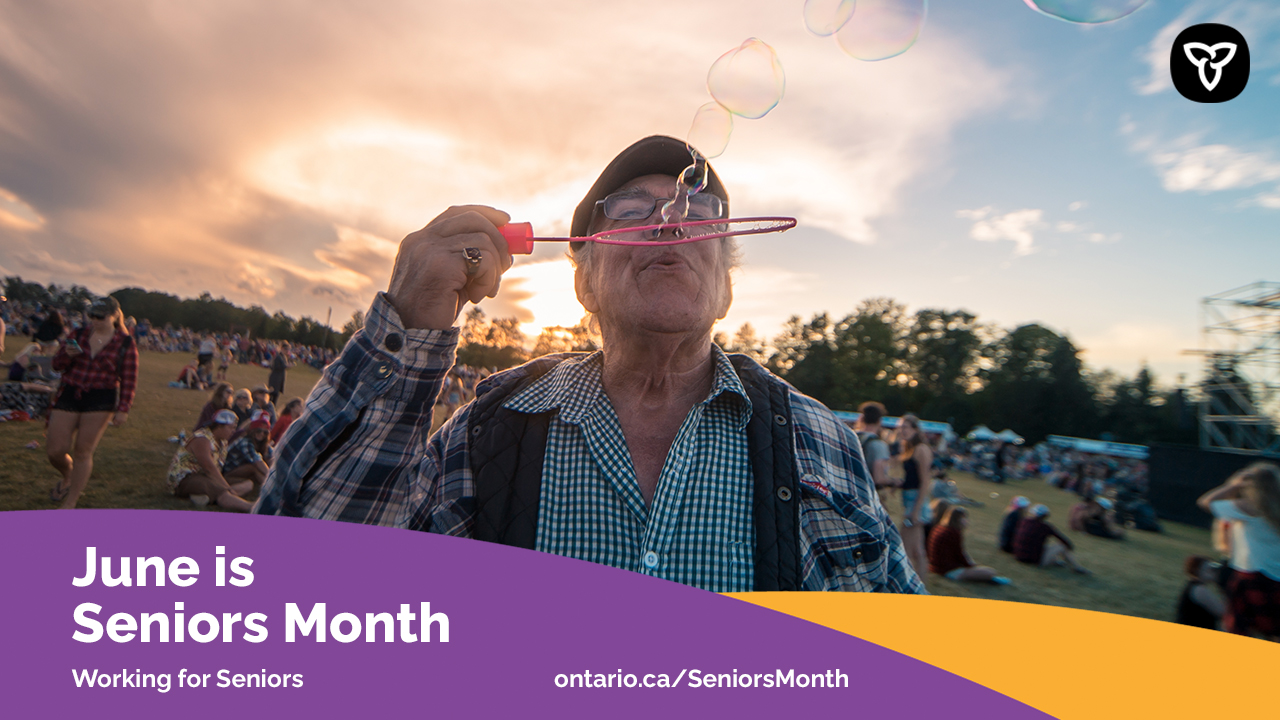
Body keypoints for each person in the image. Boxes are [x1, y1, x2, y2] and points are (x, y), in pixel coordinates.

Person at [255, 134, 923, 594]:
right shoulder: (493, 430)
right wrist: (406, 332)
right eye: (635, 212)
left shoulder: (819, 443)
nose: (669, 224)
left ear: (727, 288)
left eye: (699, 214)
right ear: (584, 284)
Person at [46, 297, 138, 509]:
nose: (94, 320)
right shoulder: (78, 334)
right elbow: (56, 365)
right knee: (55, 450)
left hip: (101, 398)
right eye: (91, 315)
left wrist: (123, 409)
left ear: (114, 316)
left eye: (100, 316)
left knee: (83, 450)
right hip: (70, 391)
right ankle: (68, 474)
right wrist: (67, 356)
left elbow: (129, 379)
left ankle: (71, 501)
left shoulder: (125, 343)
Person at [1197, 463, 1280, 640]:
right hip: (1276, 580)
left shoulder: (1248, 508)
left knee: (1238, 630)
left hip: (1250, 576)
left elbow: (1206, 502)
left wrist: (1235, 485)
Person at [166, 409, 255, 512]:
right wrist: (226, 487)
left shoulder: (223, 441)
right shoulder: (202, 439)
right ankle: (249, 507)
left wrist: (225, 487)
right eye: (231, 428)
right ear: (220, 426)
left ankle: (207, 496)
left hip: (206, 477)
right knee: (222, 491)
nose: (233, 431)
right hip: (186, 478)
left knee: (248, 484)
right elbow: (208, 467)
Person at [928, 507, 1009, 584]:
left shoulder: (939, 528)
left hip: (935, 567)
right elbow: (959, 554)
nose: (967, 521)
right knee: (990, 572)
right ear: (959, 519)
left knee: (983, 571)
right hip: (948, 571)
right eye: (965, 518)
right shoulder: (953, 532)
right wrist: (971, 566)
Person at [897, 413, 934, 582]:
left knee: (905, 546)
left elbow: (925, 481)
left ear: (914, 429)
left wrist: (917, 510)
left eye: (905, 427)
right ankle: (919, 584)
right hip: (909, 499)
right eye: (900, 427)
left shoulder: (921, 449)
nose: (901, 430)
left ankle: (913, 583)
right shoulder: (909, 447)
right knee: (916, 549)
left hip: (916, 502)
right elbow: (911, 478)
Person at [1014, 504, 1091, 574]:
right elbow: (1062, 539)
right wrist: (1070, 546)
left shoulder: (1024, 521)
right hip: (1034, 560)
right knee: (1061, 546)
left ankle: (1056, 562)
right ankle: (1077, 567)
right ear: (1045, 516)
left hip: (1018, 555)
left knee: (1045, 546)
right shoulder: (1045, 527)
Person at [222, 411, 273, 488]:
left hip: (241, 469)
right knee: (254, 467)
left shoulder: (262, 443)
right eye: (259, 431)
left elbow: (272, 456)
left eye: (265, 432)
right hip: (227, 471)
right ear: (253, 430)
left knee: (266, 462)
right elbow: (257, 461)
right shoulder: (245, 441)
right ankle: (270, 487)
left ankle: (272, 485)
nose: (261, 434)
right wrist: (272, 476)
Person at [1174, 555, 1226, 630]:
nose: (1214, 572)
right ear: (1197, 571)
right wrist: (1225, 587)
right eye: (1209, 570)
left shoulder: (1193, 586)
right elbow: (1222, 612)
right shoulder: (1199, 590)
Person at [855, 401, 894, 489]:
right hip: (866, 491)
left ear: (861, 419)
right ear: (879, 421)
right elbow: (878, 478)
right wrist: (893, 482)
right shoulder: (879, 444)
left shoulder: (850, 437)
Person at [267, 342, 290, 406]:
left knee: (276, 396)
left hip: (279, 380)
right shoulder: (278, 356)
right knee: (272, 396)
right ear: (282, 348)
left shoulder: (283, 357)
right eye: (286, 349)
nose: (287, 351)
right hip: (275, 379)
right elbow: (275, 367)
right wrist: (286, 366)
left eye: (288, 349)